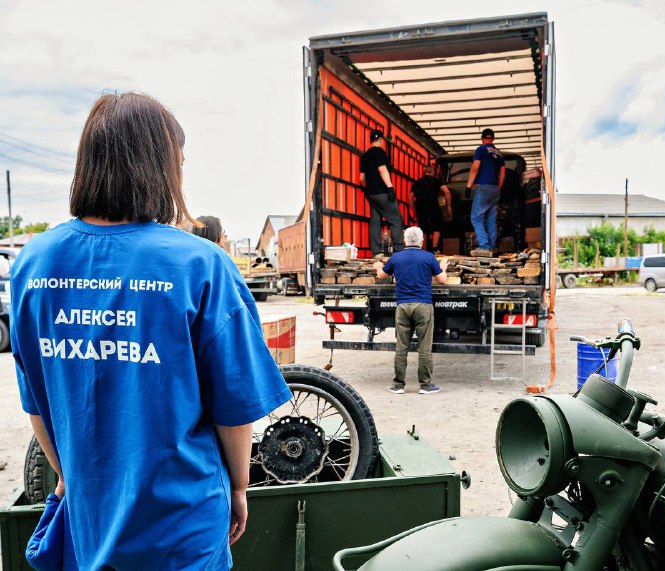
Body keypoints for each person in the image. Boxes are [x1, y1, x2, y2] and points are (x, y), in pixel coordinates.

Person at [10, 92, 292, 569]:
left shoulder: (34, 263)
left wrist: (70, 476)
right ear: (163, 167)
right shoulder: (200, 264)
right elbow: (234, 408)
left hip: (90, 515)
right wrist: (240, 487)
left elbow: (36, 401)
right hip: (181, 520)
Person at [374, 226, 448, 394]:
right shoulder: (428, 257)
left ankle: (398, 385)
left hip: (403, 307)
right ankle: (426, 386)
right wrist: (443, 266)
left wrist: (378, 265)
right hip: (423, 306)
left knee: (402, 347)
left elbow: (381, 276)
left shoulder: (396, 258)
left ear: (405, 241)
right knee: (424, 348)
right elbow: (442, 280)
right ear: (422, 242)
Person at [191, 215, 261, 328]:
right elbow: (244, 299)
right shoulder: (219, 256)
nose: (225, 235)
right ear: (214, 233)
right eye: (222, 231)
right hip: (218, 328)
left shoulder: (189, 258)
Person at [360, 129, 404, 256]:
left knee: (375, 220)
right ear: (380, 140)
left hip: (371, 194)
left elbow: (362, 179)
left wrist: (368, 188)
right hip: (382, 192)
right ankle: (399, 250)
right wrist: (390, 187)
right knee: (395, 219)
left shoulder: (365, 156)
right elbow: (382, 170)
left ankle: (376, 251)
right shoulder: (380, 152)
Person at [466, 128, 505, 253]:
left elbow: (475, 167)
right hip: (495, 189)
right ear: (493, 139)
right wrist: (498, 188)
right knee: (491, 219)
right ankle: (492, 246)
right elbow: (502, 173)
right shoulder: (499, 153)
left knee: (476, 218)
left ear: (482, 138)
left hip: (483, 187)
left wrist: (468, 186)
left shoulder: (481, 149)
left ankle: (484, 247)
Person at [410, 165, 452, 253]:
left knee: (422, 228)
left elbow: (410, 197)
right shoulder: (436, 181)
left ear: (423, 173)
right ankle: (434, 248)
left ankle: (422, 249)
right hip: (433, 204)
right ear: (432, 173)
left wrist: (413, 209)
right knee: (436, 226)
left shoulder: (417, 182)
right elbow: (447, 192)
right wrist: (448, 206)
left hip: (420, 205)